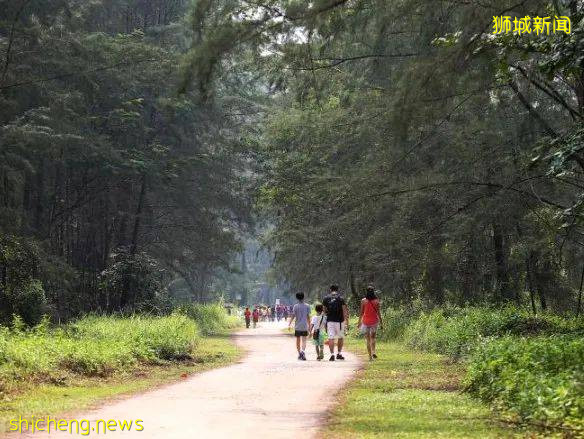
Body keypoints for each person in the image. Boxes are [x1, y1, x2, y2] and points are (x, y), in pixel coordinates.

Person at [322, 284, 349, 361]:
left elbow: (324, 311)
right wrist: (346, 322)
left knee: (331, 338)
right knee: (340, 337)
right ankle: (339, 354)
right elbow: (344, 311)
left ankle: (332, 354)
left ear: (330, 289)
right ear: (337, 290)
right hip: (340, 321)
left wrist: (325, 321)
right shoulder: (341, 298)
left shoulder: (326, 298)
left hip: (330, 321)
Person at [358, 286, 383, 361]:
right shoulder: (376, 301)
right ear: (373, 291)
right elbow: (378, 313)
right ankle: (373, 352)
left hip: (365, 321)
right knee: (373, 338)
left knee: (368, 339)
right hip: (374, 321)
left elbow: (361, 312)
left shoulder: (363, 301)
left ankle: (370, 357)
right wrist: (381, 323)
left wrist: (359, 322)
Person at [288, 292, 311, 360]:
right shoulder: (307, 306)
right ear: (303, 297)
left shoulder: (295, 306)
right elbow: (308, 317)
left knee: (298, 340)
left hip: (298, 326)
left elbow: (293, 316)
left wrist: (289, 324)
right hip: (304, 325)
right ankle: (303, 352)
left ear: (297, 298)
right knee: (304, 340)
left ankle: (299, 353)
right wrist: (309, 326)